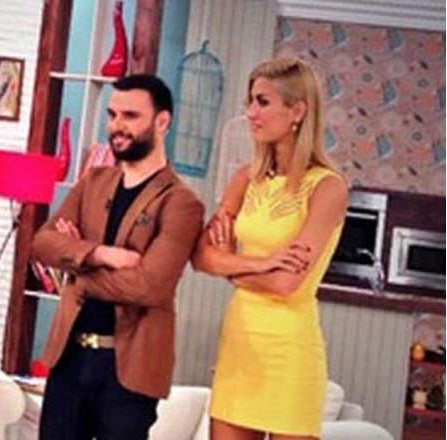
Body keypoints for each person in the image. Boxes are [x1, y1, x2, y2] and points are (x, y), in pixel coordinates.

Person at [30, 74, 205, 440]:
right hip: (69, 357)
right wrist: (100, 253)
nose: (116, 126)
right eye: (112, 115)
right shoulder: (93, 182)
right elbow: (42, 243)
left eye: (130, 115)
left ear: (162, 121)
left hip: (129, 369)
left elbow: (149, 286)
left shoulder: (181, 202)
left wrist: (77, 271)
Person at [192, 57, 348, 439]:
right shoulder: (245, 179)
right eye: (250, 101)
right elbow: (200, 257)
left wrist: (230, 266)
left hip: (290, 351)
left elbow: (286, 283)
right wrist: (262, 263)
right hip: (240, 344)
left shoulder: (327, 188)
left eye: (262, 102)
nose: (250, 112)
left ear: (298, 111)